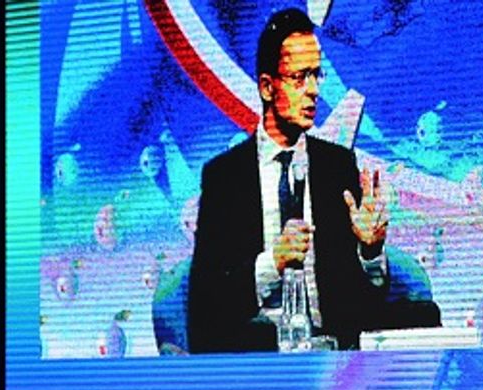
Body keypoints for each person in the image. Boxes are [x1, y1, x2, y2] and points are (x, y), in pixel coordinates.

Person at [187, 8, 436, 354]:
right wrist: (272, 262)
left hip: (331, 355)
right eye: (299, 78)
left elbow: (363, 300)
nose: (314, 90)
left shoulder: (337, 166)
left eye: (317, 75)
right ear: (267, 87)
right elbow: (204, 307)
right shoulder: (225, 178)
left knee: (424, 317)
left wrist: (370, 250)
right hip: (260, 359)